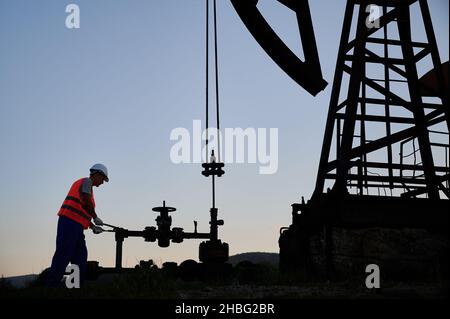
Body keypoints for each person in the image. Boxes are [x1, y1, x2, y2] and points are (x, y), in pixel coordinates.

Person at [47, 163, 109, 287]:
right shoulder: (86, 182)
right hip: (69, 223)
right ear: (97, 174)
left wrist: (92, 226)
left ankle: (74, 286)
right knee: (64, 253)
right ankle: (51, 286)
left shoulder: (88, 188)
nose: (102, 182)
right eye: (103, 179)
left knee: (80, 257)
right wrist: (95, 217)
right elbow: (85, 201)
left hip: (77, 226)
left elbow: (82, 211)